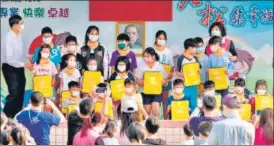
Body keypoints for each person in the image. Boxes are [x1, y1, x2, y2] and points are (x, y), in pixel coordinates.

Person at [1, 15, 32, 118]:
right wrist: (25, 65)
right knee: (14, 93)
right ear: (14, 25)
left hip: (19, 67)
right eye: (21, 23)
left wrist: (29, 56)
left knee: (20, 92)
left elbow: (21, 52)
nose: (22, 25)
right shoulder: (8, 38)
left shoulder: (19, 36)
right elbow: (10, 60)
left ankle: (16, 116)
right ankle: (5, 117)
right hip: (9, 67)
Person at [136, 47, 168, 117]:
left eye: (148, 56)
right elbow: (138, 81)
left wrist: (161, 82)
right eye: (144, 56)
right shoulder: (141, 67)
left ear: (153, 57)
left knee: (155, 111)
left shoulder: (159, 66)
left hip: (157, 92)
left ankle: (155, 126)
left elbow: (165, 81)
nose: (145, 58)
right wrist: (147, 81)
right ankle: (145, 126)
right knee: (146, 112)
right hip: (146, 92)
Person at [175, 38, 201, 113]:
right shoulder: (180, 58)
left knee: (193, 105)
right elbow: (176, 72)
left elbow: (199, 69)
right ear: (188, 48)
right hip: (184, 86)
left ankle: (193, 121)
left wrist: (199, 72)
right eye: (193, 47)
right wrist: (183, 75)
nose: (195, 49)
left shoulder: (195, 58)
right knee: (183, 104)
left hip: (194, 86)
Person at [153, 30, 174, 119]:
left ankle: (166, 119)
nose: (161, 40)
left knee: (165, 101)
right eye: (160, 38)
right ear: (156, 39)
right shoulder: (151, 50)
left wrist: (169, 75)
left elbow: (172, 67)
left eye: (163, 39)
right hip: (154, 80)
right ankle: (155, 121)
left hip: (165, 80)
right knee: (154, 102)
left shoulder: (168, 52)